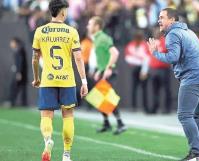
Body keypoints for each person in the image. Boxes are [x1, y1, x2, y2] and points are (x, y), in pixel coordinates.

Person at [147, 8, 199, 161]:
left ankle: (196, 154)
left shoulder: (173, 33)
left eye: (162, 17)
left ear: (172, 20)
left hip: (193, 77)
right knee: (196, 114)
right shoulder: (190, 32)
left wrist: (155, 53)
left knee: (184, 115)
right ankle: (198, 153)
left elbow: (173, 57)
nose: (159, 20)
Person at [31, 1, 88, 161]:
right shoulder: (72, 32)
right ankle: (66, 154)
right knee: (68, 116)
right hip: (67, 81)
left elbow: (35, 59)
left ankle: (48, 139)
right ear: (63, 12)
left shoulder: (40, 31)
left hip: (48, 80)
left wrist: (36, 78)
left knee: (46, 116)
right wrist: (84, 81)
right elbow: (78, 57)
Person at [87, 16, 127, 135]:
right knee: (99, 98)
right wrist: (99, 70)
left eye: (90, 24)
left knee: (108, 98)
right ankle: (106, 123)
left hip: (109, 72)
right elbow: (103, 57)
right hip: (103, 71)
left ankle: (120, 123)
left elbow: (115, 53)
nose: (88, 26)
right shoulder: (96, 39)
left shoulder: (103, 38)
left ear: (97, 26)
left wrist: (108, 68)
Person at [124, 30, 150, 113]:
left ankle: (145, 107)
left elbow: (147, 58)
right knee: (134, 88)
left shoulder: (145, 45)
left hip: (143, 68)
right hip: (135, 68)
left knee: (144, 88)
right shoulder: (131, 45)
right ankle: (133, 106)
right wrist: (139, 60)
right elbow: (128, 58)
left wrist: (144, 71)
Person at [8, 37, 28, 107]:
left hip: (20, 73)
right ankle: (21, 103)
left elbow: (20, 62)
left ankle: (12, 102)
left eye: (12, 42)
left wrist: (18, 72)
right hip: (20, 72)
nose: (11, 44)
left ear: (15, 42)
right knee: (20, 88)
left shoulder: (19, 50)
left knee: (15, 87)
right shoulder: (19, 49)